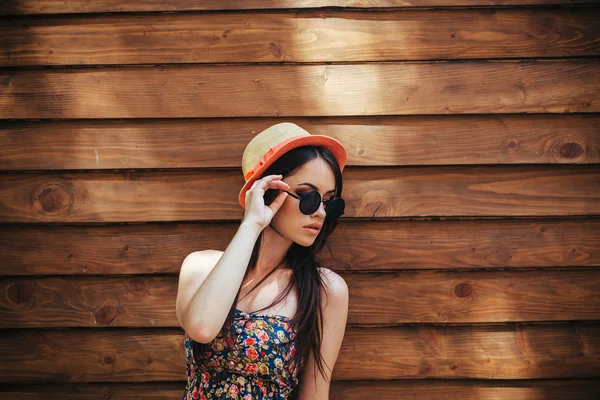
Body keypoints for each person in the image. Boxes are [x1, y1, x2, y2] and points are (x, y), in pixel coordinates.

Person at [177, 122, 350, 399]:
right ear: (266, 190)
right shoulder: (200, 267)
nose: (320, 212)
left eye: (330, 202)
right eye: (308, 197)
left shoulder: (326, 290)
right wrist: (252, 224)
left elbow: (315, 393)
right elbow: (202, 328)